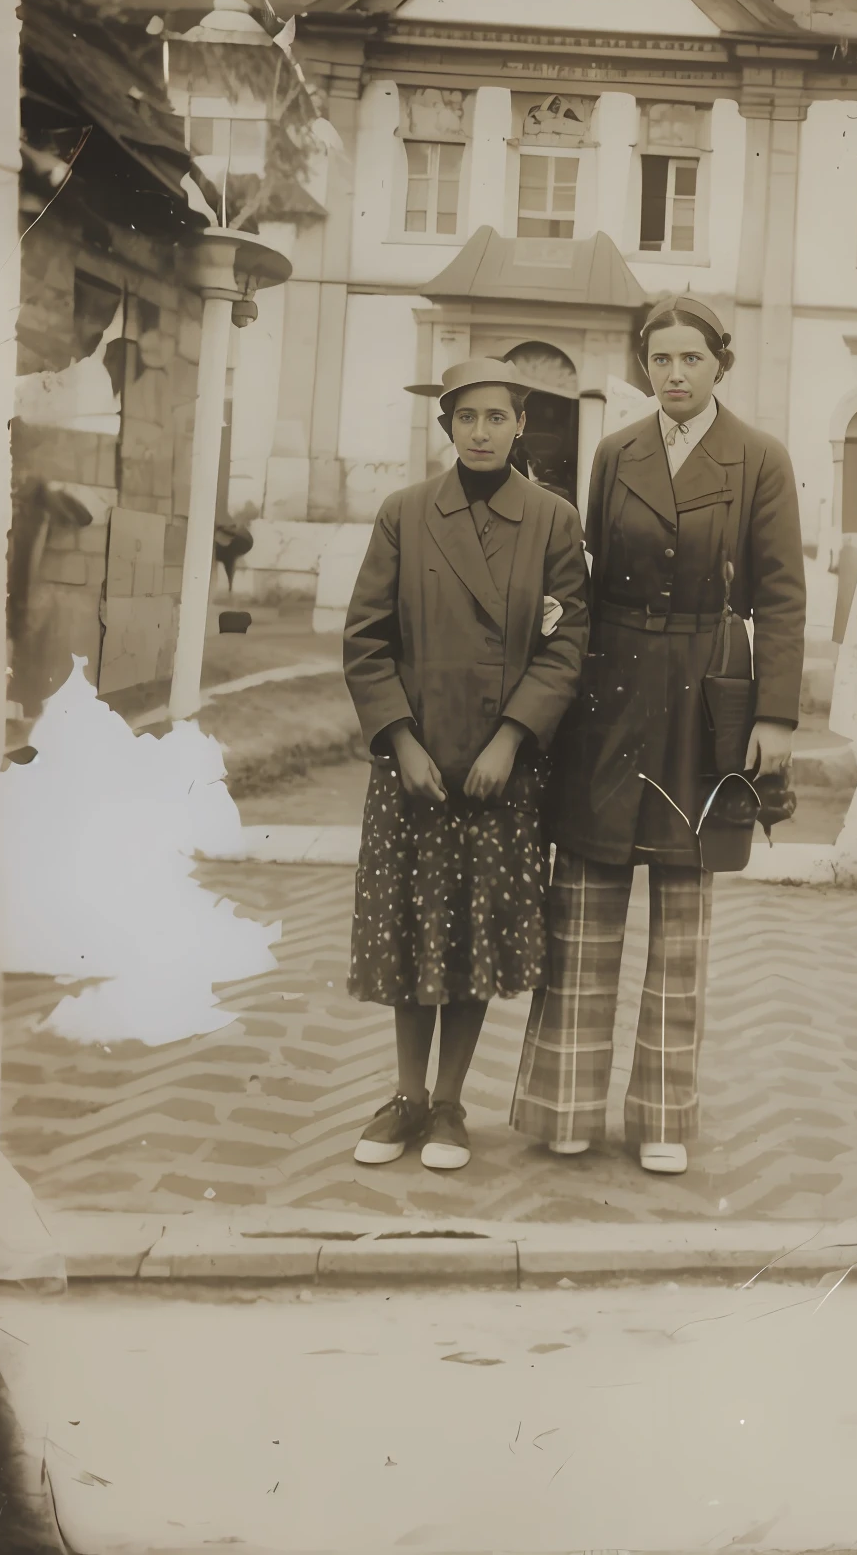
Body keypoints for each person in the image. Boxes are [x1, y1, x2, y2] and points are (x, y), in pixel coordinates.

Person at [511, 298, 806, 1176]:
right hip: (615, 681)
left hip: (707, 687)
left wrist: (776, 715)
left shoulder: (761, 459)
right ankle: (566, 1104)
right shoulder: (615, 453)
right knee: (588, 895)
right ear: (645, 368)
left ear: (722, 364)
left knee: (683, 908)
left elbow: (783, 596)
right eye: (660, 359)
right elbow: (594, 572)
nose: (674, 374)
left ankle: (663, 1117)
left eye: (692, 358)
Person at [343, 358, 589, 1173]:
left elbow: (565, 647)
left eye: (497, 417)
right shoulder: (404, 515)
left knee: (473, 935)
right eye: (466, 418)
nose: (481, 432)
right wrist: (402, 743)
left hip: (498, 775)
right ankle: (406, 1096)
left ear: (522, 425)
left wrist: (513, 739)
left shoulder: (554, 521)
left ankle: (449, 1102)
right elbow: (367, 642)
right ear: (445, 427)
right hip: (416, 767)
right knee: (412, 931)